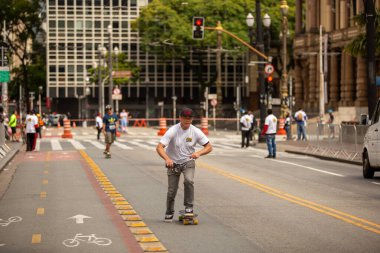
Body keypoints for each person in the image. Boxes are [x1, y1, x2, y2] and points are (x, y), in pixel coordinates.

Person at [156, 108, 212, 222]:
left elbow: (209, 147)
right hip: (173, 163)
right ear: (180, 118)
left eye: (190, 118)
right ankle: (169, 211)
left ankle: (189, 208)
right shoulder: (173, 130)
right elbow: (159, 147)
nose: (187, 120)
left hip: (188, 161)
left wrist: (198, 153)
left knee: (189, 180)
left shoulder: (195, 131)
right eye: (185, 117)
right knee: (172, 190)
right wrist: (167, 159)